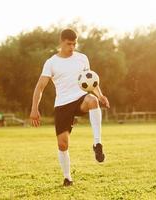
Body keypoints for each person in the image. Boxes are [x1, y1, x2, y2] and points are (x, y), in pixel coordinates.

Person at [30, 29, 110, 186]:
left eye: (74, 44)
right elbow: (40, 87)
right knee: (62, 144)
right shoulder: (51, 62)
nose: (72, 47)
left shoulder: (82, 59)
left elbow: (91, 81)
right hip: (62, 104)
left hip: (80, 98)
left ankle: (97, 144)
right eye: (68, 44)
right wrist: (34, 108)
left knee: (93, 101)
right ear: (61, 42)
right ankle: (67, 177)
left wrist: (100, 95)